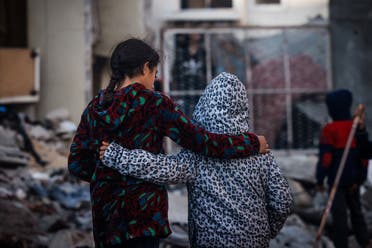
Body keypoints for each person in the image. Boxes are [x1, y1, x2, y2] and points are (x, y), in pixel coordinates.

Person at [67, 39, 269, 247]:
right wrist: (251, 143)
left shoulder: (95, 108)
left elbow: (76, 164)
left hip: (106, 219)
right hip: (143, 219)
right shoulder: (155, 104)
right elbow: (203, 142)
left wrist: (107, 177)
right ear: (146, 67)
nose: (155, 80)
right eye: (155, 73)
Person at [100, 72, 293, 247]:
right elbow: (283, 200)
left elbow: (162, 168)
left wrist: (118, 155)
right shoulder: (259, 152)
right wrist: (265, 232)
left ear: (206, 103)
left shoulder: (199, 154)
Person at [316, 89, 370, 248]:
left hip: (336, 183)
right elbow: (364, 158)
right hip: (354, 181)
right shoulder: (356, 128)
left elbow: (325, 159)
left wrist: (320, 179)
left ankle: (342, 244)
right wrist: (360, 178)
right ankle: (365, 241)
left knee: (339, 217)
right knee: (356, 212)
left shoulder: (329, 130)